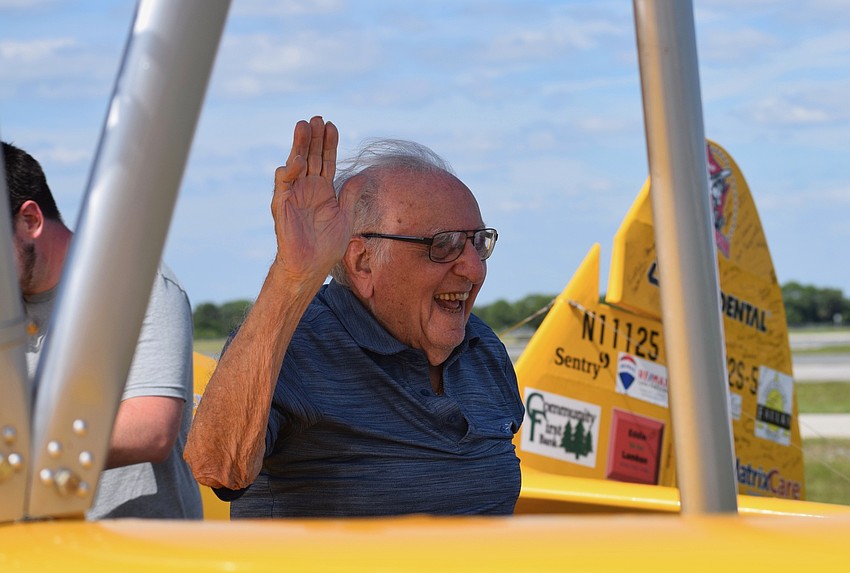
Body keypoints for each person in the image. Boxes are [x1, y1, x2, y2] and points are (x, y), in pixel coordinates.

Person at [185, 116, 524, 518]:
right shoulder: (294, 343)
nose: (474, 269)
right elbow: (217, 466)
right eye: (443, 245)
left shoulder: (481, 347)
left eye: (478, 243)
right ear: (363, 262)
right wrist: (291, 278)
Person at [2, 141, 203, 520]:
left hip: (137, 552)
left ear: (30, 220)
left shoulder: (135, 283)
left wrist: (14, 453)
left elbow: (151, 428)